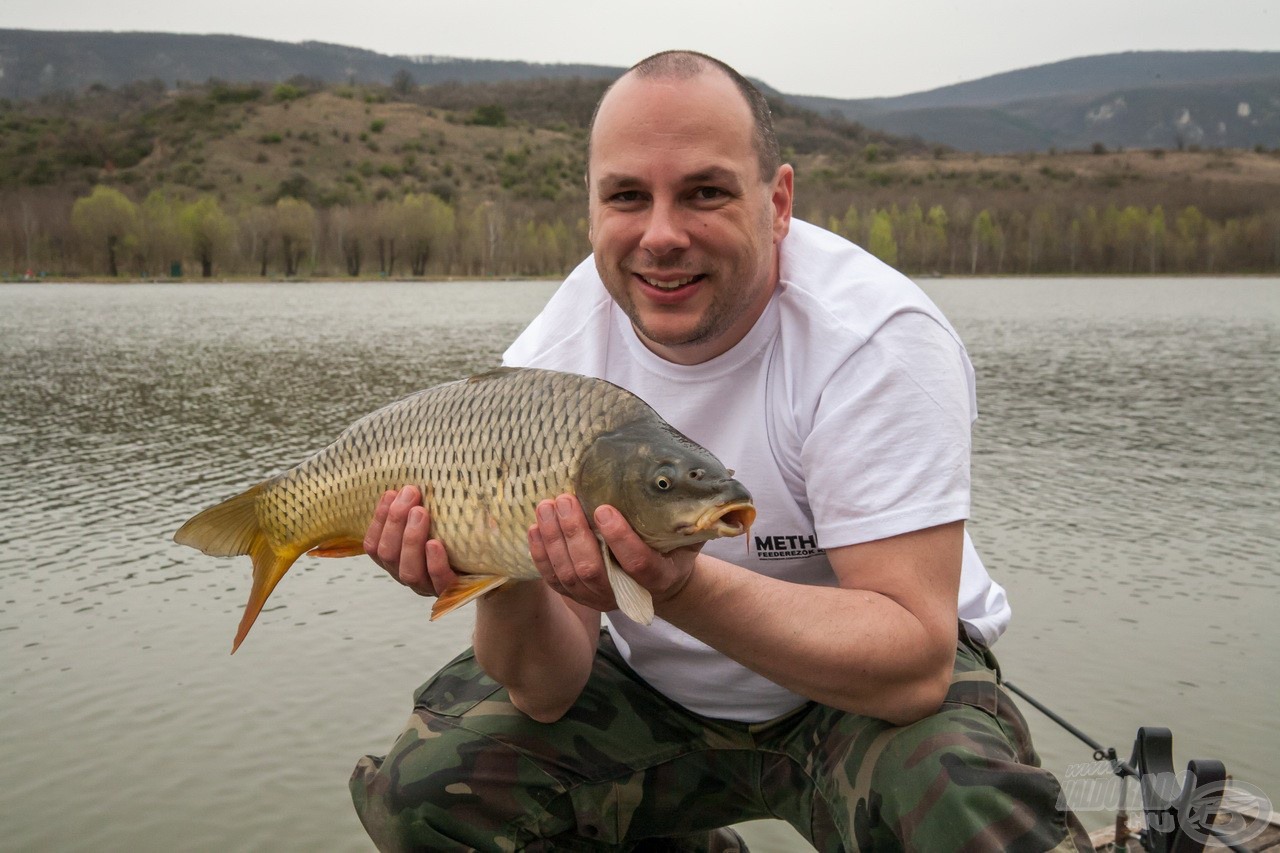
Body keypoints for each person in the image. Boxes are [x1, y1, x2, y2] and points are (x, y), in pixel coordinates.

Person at [350, 50, 1091, 852]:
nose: (662, 235)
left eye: (705, 192)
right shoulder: (547, 365)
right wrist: (493, 569)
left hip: (862, 700)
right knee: (425, 794)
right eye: (628, 197)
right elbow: (546, 691)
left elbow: (913, 665)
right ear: (592, 211)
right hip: (650, 694)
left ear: (777, 203)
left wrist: (677, 585)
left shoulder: (874, 340)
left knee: (962, 804)